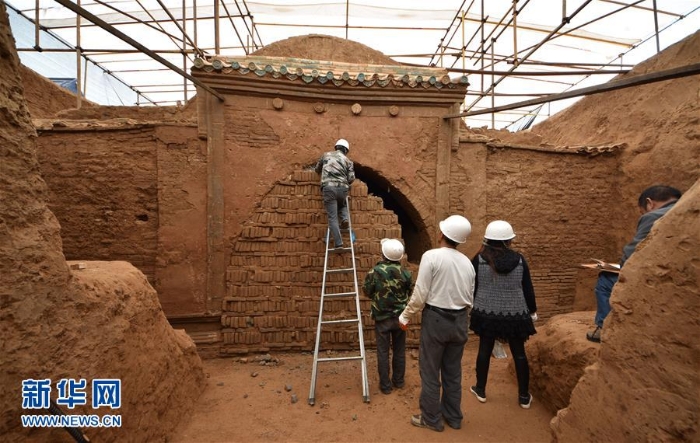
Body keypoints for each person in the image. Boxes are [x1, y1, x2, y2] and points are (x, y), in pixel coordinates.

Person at [398, 215, 475, 432]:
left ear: (441, 234)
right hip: (460, 320)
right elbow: (470, 296)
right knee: (453, 371)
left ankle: (431, 419)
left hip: (437, 319)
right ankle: (454, 417)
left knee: (430, 371)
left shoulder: (431, 257)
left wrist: (405, 316)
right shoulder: (467, 263)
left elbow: (420, 293)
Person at [587, 185, 682, 343]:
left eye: (642, 211)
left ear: (649, 203)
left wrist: (619, 267)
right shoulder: (686, 209)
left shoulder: (654, 216)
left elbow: (632, 253)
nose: (644, 215)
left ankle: (603, 328)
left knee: (605, 278)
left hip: (657, 277)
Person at [468, 220, 538, 409]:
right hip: (515, 315)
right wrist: (532, 310)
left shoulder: (479, 258)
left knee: (484, 350)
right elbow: (527, 288)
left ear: (488, 239)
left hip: (486, 313)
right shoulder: (520, 259)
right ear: (508, 241)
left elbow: (472, 285)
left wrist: (473, 305)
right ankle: (524, 396)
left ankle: (480, 389)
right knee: (519, 354)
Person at [362, 238, 413, 395]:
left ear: (383, 254)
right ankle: (399, 381)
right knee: (399, 350)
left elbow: (367, 291)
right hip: (400, 319)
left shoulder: (375, 272)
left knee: (383, 351)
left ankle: (385, 386)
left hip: (382, 318)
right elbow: (409, 292)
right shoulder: (406, 273)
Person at [315, 139, 355, 249]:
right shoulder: (348, 161)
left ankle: (338, 243)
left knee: (332, 217)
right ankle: (344, 218)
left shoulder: (326, 155)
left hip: (329, 188)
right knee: (342, 203)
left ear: (336, 147)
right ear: (346, 150)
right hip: (342, 189)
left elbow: (317, 169)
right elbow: (351, 178)